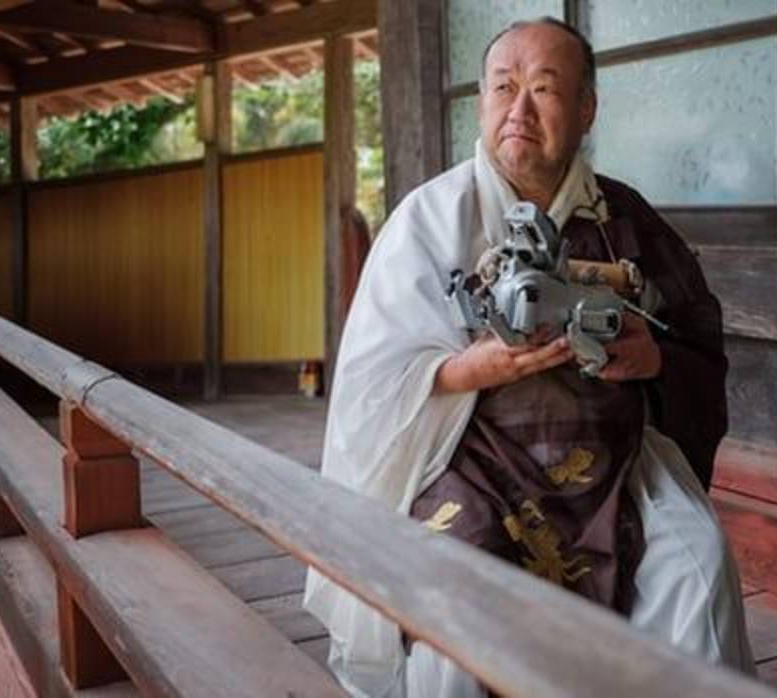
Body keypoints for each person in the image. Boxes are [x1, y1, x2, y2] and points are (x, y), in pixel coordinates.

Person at [304, 17, 752, 698]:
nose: (519, 110)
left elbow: (695, 339)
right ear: (481, 103)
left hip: (616, 454)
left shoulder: (624, 220)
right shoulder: (429, 220)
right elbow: (370, 387)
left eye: (543, 89)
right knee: (455, 608)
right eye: (503, 88)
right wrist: (465, 371)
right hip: (471, 461)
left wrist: (651, 360)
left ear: (585, 109)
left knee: (697, 567)